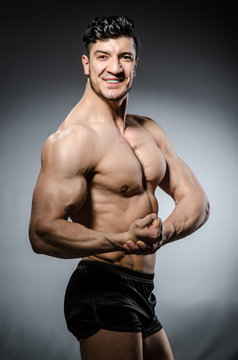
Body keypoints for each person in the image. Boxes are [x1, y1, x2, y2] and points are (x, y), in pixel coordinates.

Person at [29, 15, 210, 360]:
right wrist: (118, 240)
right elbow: (41, 233)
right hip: (101, 286)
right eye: (102, 56)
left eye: (124, 57)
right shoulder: (73, 140)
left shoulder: (149, 130)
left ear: (135, 64)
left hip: (141, 290)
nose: (114, 68)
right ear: (86, 63)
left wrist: (165, 231)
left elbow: (197, 200)